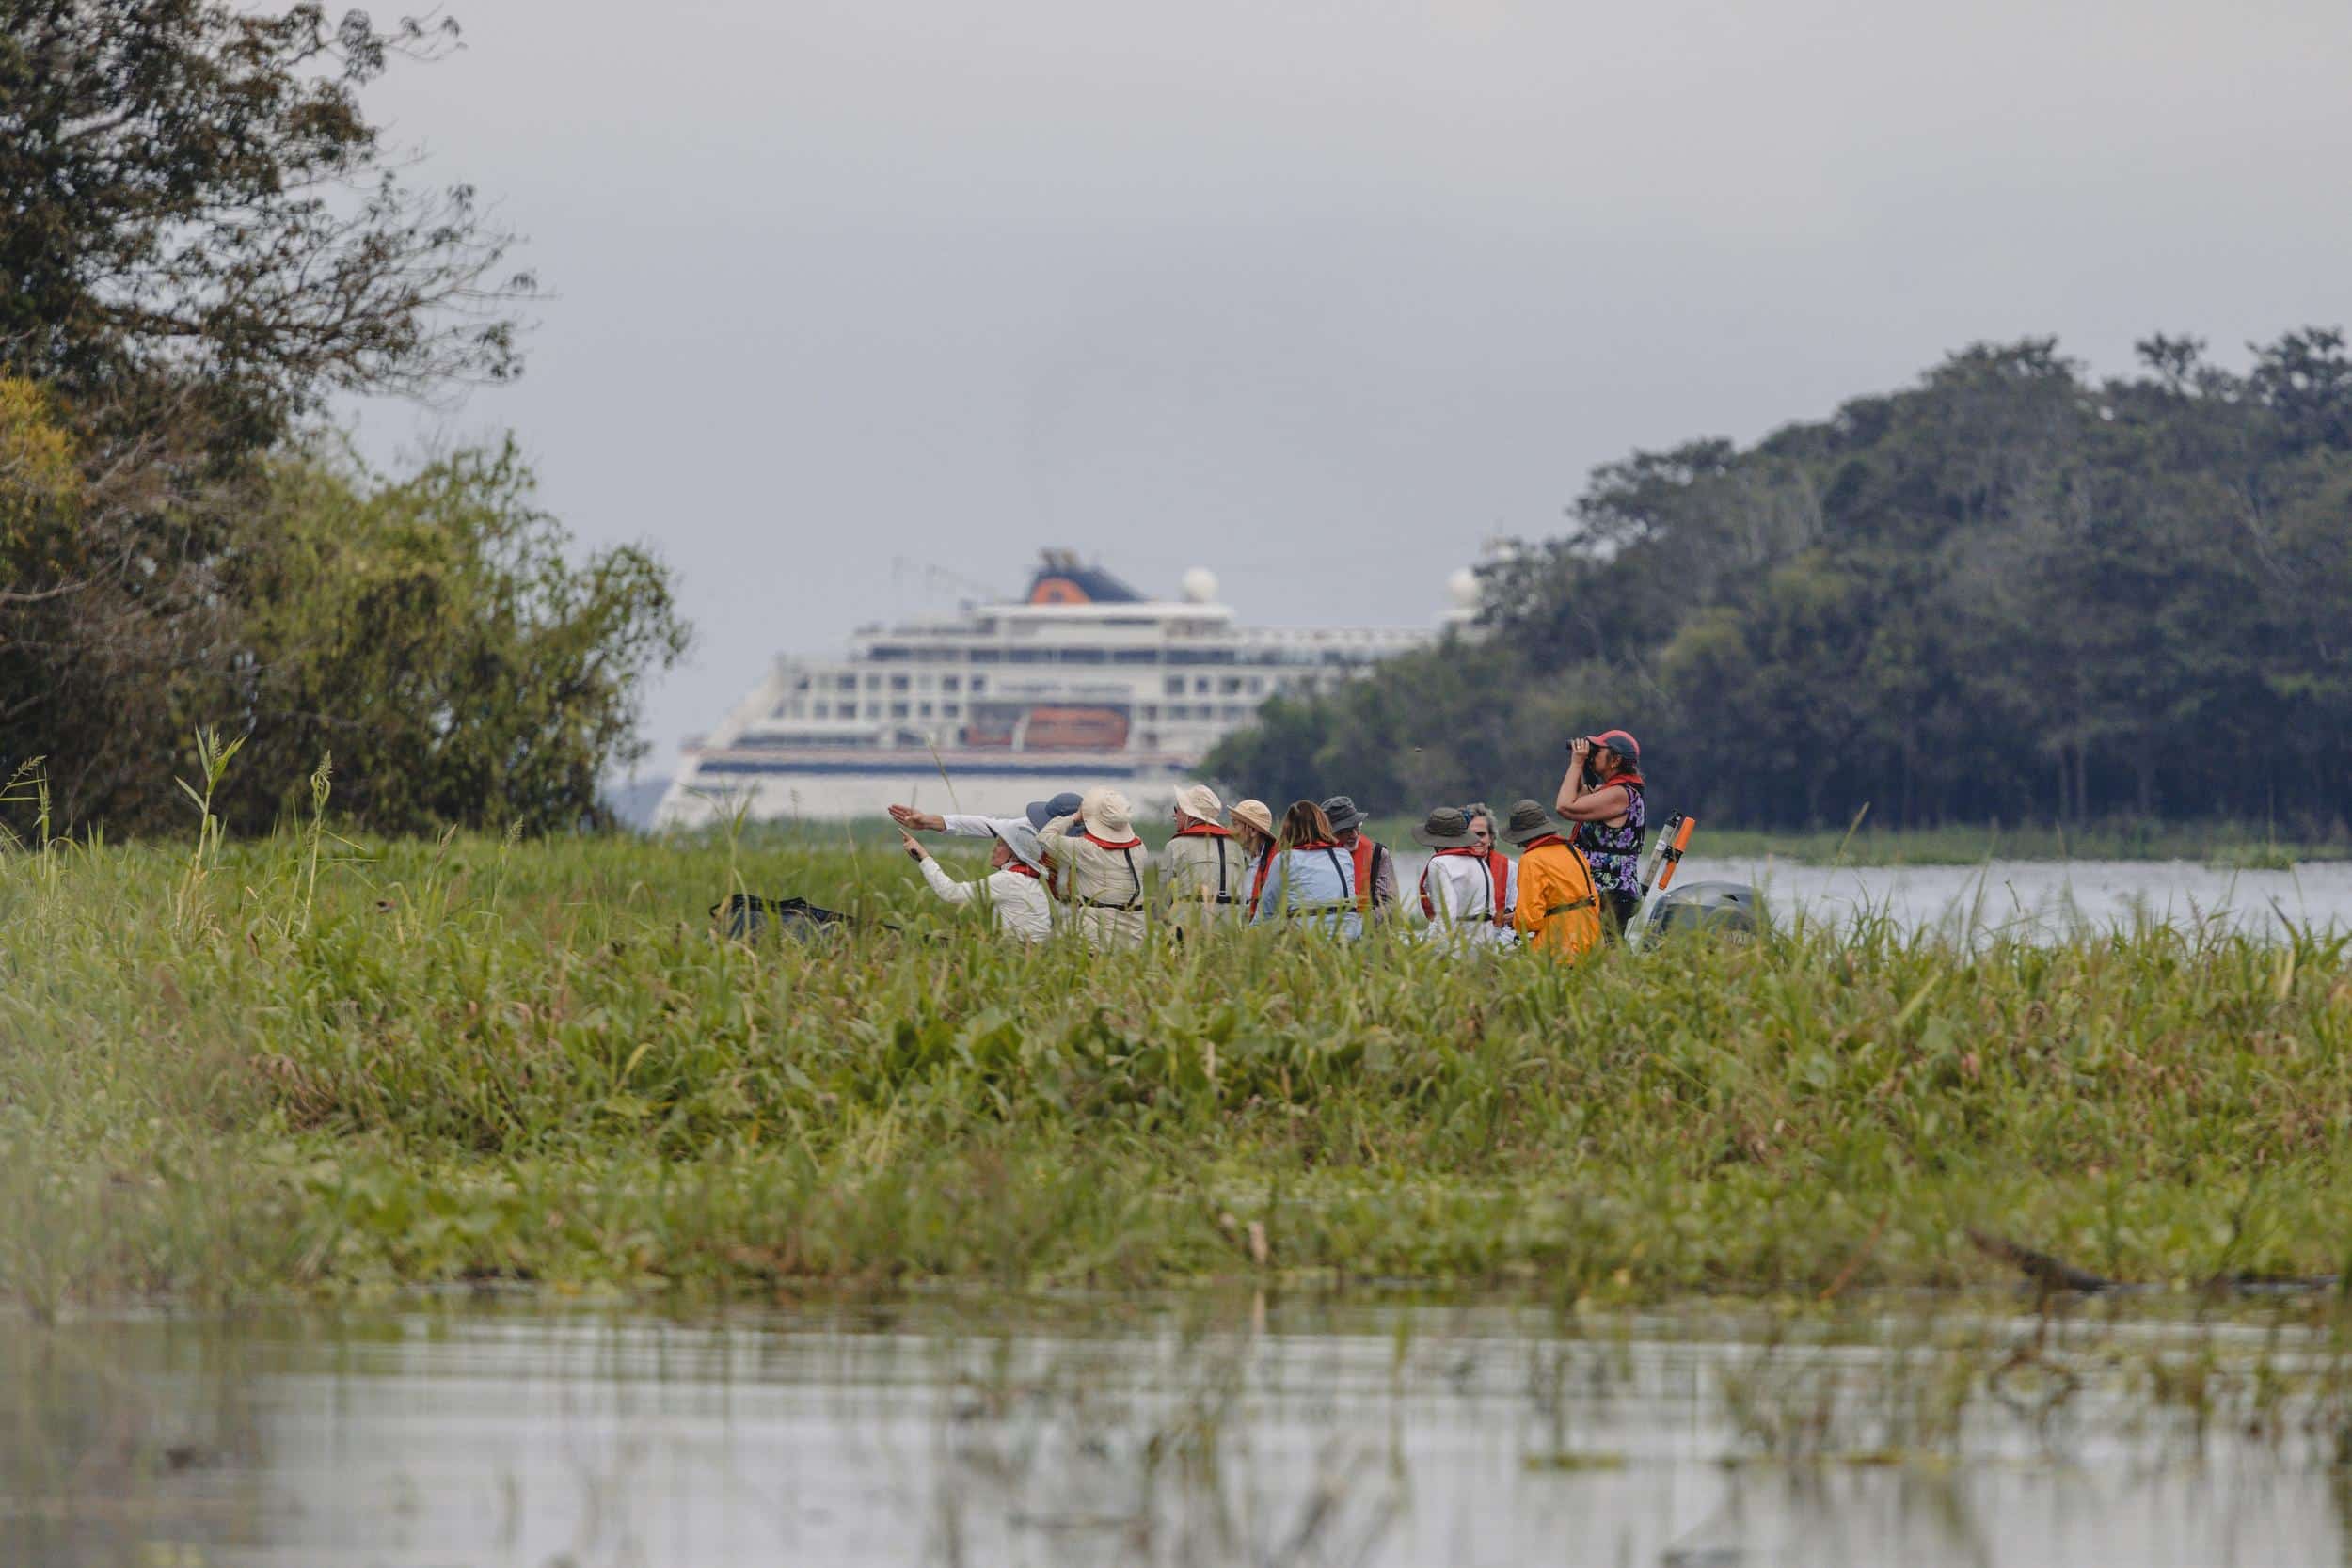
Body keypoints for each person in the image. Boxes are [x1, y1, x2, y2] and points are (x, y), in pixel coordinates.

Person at [1554, 729, 1647, 933]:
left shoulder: (1620, 794)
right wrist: (1582, 764)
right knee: (1605, 947)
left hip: (1612, 890)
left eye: (1597, 751)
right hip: (1602, 888)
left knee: (1608, 946)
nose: (1592, 755)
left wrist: (1577, 763)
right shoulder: (1610, 791)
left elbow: (1565, 806)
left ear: (1615, 760)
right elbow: (1576, 795)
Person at [898, 819, 1053, 942]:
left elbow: (950, 893)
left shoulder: (1010, 880)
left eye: (1000, 845)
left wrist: (923, 856)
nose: (994, 849)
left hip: (1015, 955)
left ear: (1016, 854)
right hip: (1025, 952)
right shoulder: (1030, 880)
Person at [1039, 786, 1150, 949]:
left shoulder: (1088, 849)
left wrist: (1074, 818)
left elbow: (1045, 837)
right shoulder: (1139, 848)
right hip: (1135, 930)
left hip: (1097, 929)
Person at [1504, 798, 1604, 959]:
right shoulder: (1574, 851)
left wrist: (1513, 920)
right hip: (1591, 942)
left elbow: (1530, 920)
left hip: (1556, 947)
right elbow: (1594, 901)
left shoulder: (1531, 859)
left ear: (1520, 837)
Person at [1247, 800, 1361, 938]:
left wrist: (1248, 938)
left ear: (1288, 829)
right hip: (1349, 935)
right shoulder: (1343, 856)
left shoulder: (1285, 859)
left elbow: (1266, 910)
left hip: (1309, 937)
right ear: (1323, 824)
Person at [1413, 806, 1511, 948]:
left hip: (1459, 945)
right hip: (1486, 942)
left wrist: (1424, 945)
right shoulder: (1479, 861)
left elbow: (1447, 916)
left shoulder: (1439, 863)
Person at [1159, 783, 1248, 935]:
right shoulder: (1236, 847)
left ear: (1189, 814)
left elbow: (1163, 898)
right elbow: (1243, 894)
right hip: (1230, 930)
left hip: (1189, 931)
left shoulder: (1176, 845)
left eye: (1177, 809)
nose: (1174, 815)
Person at [1319, 795, 1398, 926]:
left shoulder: (1378, 854)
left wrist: (1358, 924)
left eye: (1356, 827)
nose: (1354, 834)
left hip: (1370, 935)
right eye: (1346, 830)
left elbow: (1390, 905)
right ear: (1328, 833)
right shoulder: (1315, 858)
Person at [1464, 801, 1518, 930]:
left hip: (1500, 937)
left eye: (1481, 834)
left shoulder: (1509, 867)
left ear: (1491, 837)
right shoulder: (1450, 866)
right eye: (1470, 835)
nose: (1476, 840)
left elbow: (1515, 913)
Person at [1231, 799, 1278, 918]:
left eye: (1235, 824)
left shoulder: (1277, 863)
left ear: (1252, 830)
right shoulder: (1234, 856)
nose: (1230, 830)